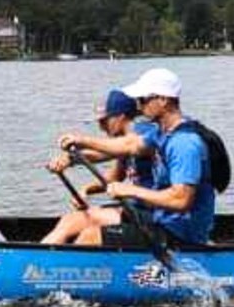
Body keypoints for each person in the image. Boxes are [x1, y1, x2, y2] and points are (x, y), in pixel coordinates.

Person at [78, 67, 218, 246]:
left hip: (181, 233)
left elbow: (181, 199)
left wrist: (130, 190)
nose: (138, 106)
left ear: (163, 100)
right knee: (85, 222)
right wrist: (80, 143)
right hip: (161, 221)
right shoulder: (160, 133)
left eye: (143, 100)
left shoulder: (184, 143)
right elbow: (128, 145)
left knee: (92, 236)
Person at [40, 89, 160, 245]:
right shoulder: (121, 143)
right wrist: (71, 163)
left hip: (156, 216)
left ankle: (61, 265)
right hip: (137, 211)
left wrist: (81, 141)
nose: (101, 127)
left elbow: (122, 146)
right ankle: (31, 261)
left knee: (90, 236)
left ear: (120, 117)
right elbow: (112, 175)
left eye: (104, 121)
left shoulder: (143, 133)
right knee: (71, 221)